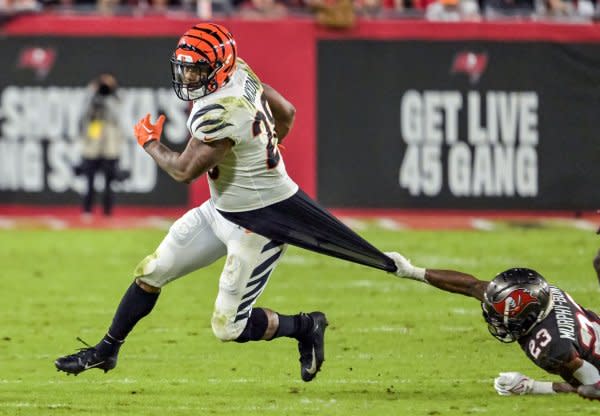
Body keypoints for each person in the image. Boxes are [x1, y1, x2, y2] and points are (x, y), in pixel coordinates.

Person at [55, 22, 398, 382]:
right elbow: (286, 112)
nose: (188, 76)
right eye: (186, 66)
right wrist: (266, 144)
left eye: (197, 68)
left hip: (256, 222)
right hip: (221, 209)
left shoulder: (221, 108)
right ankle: (106, 350)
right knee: (152, 271)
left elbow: (184, 171)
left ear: (218, 67)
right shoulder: (240, 71)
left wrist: (149, 142)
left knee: (228, 326)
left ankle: (304, 326)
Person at [386, 250, 600, 400]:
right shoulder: (541, 297)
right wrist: (411, 271)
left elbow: (593, 387)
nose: (495, 320)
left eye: (501, 317)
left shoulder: (552, 346)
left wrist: (533, 387)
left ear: (527, 317)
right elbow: (472, 286)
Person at [75, 73, 126, 217]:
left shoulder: (116, 97)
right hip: (94, 141)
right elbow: (83, 115)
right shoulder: (91, 96)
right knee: (89, 180)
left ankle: (107, 212)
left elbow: (117, 115)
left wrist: (112, 92)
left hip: (110, 144)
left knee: (109, 181)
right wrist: (92, 93)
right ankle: (87, 210)